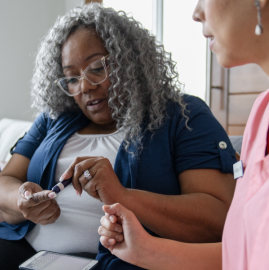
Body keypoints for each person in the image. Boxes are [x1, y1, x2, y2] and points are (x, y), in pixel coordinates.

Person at [0, 3, 237, 270]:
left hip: (119, 259)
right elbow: (4, 182)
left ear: (130, 60)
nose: (84, 86)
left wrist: (123, 197)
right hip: (23, 249)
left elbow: (218, 218)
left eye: (97, 68)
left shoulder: (182, 115)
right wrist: (22, 201)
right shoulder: (55, 120)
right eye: (71, 78)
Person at [98, 0, 269, 269]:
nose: (196, 13)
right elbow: (242, 253)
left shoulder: (185, 114)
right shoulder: (261, 112)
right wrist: (144, 249)